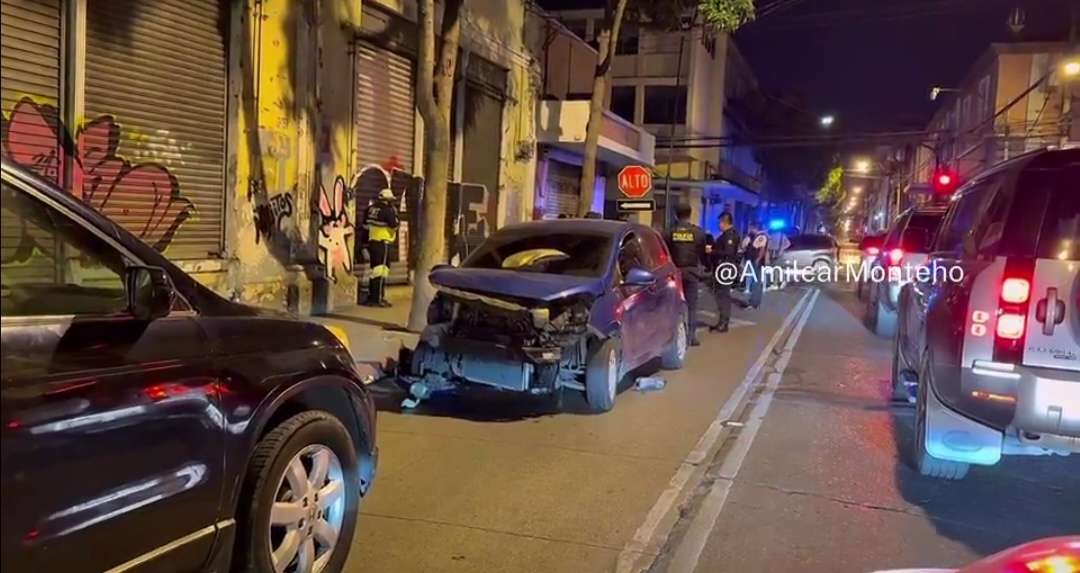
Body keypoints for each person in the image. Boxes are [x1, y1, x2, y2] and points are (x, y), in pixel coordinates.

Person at [665, 202, 708, 346]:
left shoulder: (669, 232)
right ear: (690, 214)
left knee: (673, 305)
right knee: (691, 306)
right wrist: (707, 268)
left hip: (675, 273)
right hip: (691, 273)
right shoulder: (698, 233)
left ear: (676, 215)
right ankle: (690, 337)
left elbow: (666, 254)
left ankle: (673, 336)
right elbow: (702, 254)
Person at [363, 188, 400, 307]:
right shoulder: (388, 210)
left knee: (375, 271)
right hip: (383, 243)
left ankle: (372, 297)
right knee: (381, 271)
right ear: (387, 200)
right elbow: (394, 225)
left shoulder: (370, 209)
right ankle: (377, 299)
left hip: (372, 242)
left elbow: (365, 225)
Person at [710, 212, 740, 332]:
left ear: (724, 222)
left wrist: (712, 252)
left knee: (723, 296)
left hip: (725, 269)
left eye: (719, 222)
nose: (718, 225)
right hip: (724, 268)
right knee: (721, 295)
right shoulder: (727, 234)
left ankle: (724, 323)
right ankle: (722, 321)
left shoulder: (729, 235)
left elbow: (728, 253)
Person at [745, 221, 769, 309]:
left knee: (756, 282)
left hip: (757, 262)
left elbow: (762, 249)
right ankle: (755, 302)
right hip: (753, 260)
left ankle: (754, 302)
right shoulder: (754, 236)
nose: (750, 229)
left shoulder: (761, 236)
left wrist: (758, 259)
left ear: (755, 228)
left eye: (751, 228)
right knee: (756, 281)